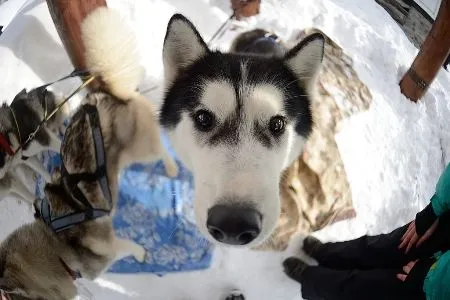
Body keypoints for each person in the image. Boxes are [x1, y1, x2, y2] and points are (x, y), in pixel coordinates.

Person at [283, 162, 450, 300]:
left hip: (435, 293)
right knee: (382, 247)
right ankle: (326, 253)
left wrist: (429, 283)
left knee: (366, 289)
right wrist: (436, 207)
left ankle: (311, 278)